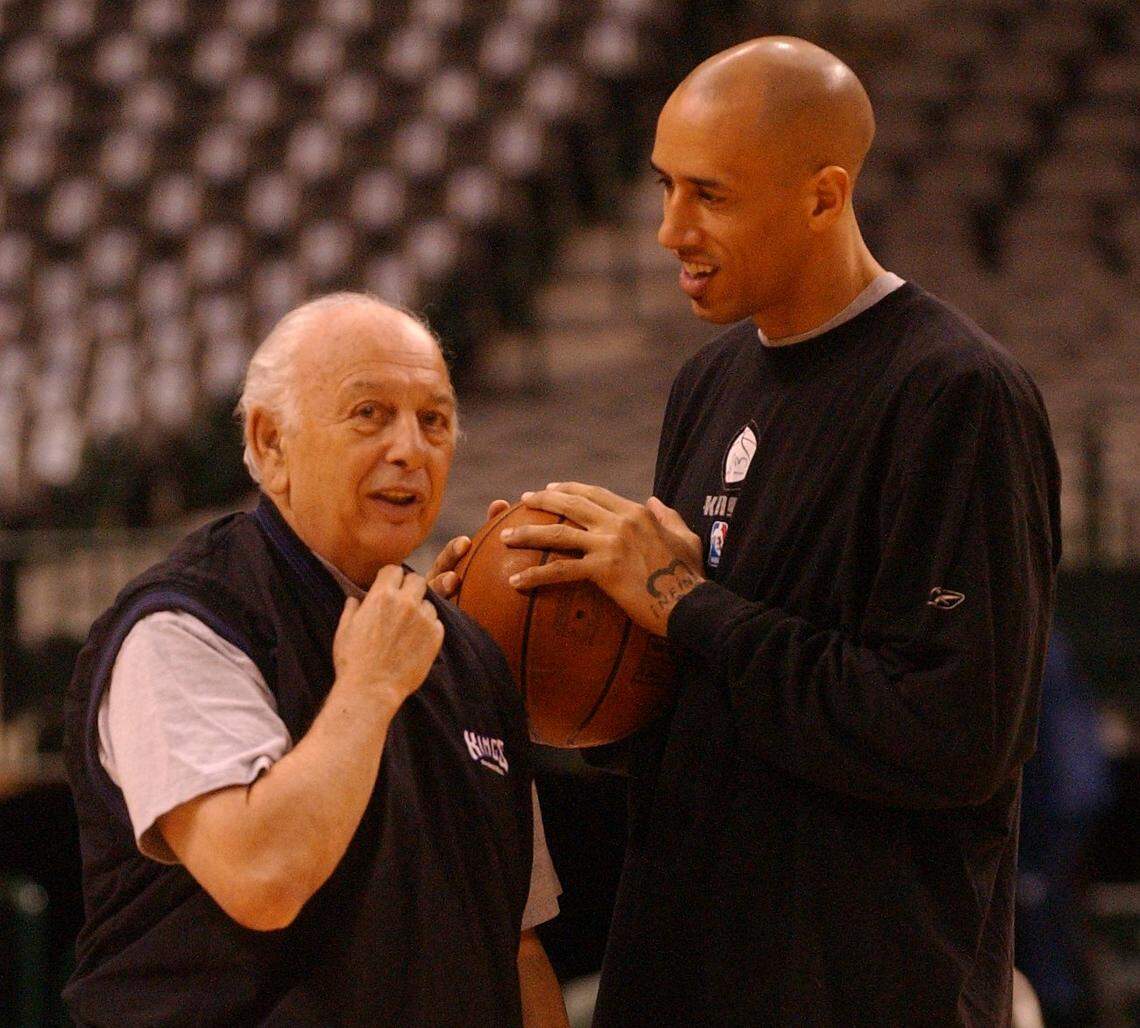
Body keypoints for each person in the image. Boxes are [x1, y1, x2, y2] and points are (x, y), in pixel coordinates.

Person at [440, 37, 1061, 1026]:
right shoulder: (707, 384)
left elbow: (951, 737)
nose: (667, 229)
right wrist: (511, 625)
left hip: (861, 985)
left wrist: (691, 606)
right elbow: (696, 704)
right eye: (663, 187)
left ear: (824, 195)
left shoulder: (954, 396)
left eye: (709, 195)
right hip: (681, 966)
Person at [62, 294, 569, 1027]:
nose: (410, 449)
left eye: (434, 420)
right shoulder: (182, 628)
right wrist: (370, 687)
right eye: (369, 413)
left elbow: (516, 948)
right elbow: (261, 877)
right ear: (270, 445)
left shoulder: (470, 659)